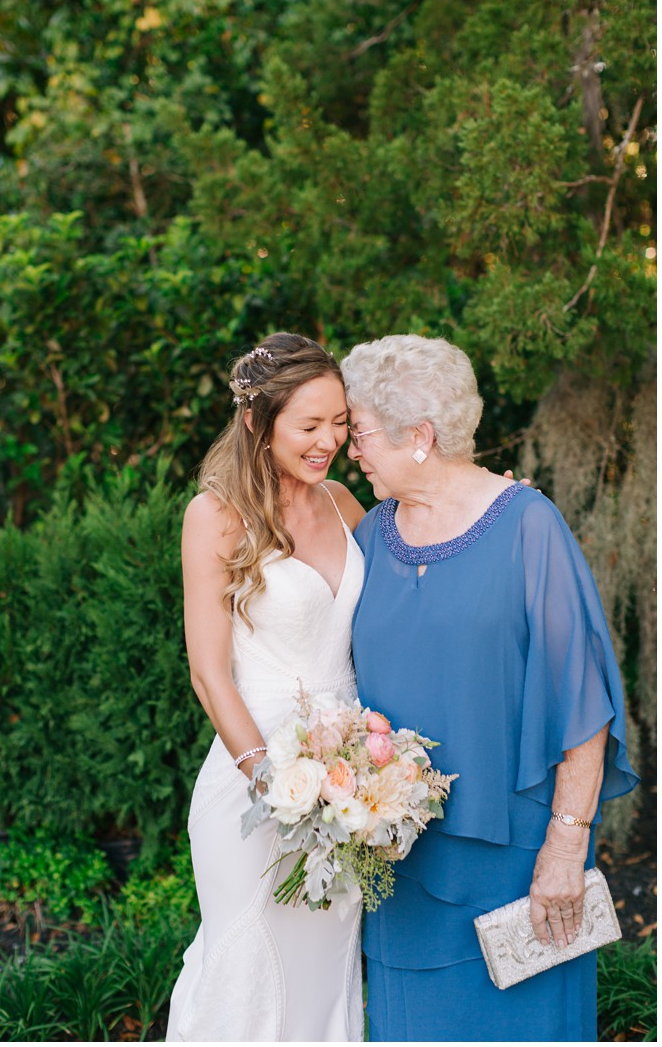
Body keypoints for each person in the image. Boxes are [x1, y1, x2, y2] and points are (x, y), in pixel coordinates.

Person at [340, 334, 637, 1041]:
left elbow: (583, 706)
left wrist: (567, 846)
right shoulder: (369, 538)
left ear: (420, 436)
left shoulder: (530, 527)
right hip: (402, 876)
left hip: (521, 875)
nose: (353, 451)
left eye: (360, 434)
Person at [167, 333, 367, 1041]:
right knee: (247, 963)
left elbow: (413, 593)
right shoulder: (215, 516)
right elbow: (208, 672)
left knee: (324, 969)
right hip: (258, 782)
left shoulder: (345, 503)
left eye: (340, 422)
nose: (330, 442)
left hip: (353, 782)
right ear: (257, 421)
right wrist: (269, 782)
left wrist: (497, 518)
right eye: (309, 425)